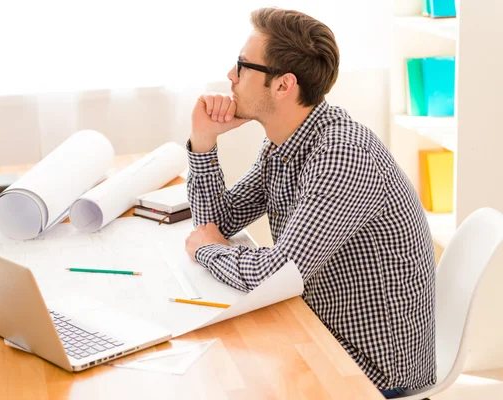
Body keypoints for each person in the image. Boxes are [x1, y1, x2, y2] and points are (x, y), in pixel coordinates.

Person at [184, 7, 436, 397]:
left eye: (242, 66)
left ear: (283, 86)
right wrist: (203, 144)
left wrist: (209, 252)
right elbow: (217, 221)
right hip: (319, 326)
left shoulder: (342, 155)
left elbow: (275, 272)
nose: (231, 76)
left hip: (369, 370)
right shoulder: (285, 141)